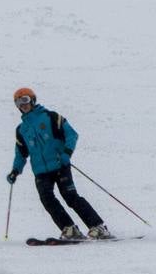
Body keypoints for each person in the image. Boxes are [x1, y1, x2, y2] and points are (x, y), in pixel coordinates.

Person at [8, 87, 108, 240]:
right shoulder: (21, 129)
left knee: (70, 196)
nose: (22, 105)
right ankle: (69, 229)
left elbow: (71, 134)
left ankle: (98, 227)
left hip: (60, 165)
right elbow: (20, 153)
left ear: (33, 100)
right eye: (18, 102)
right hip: (41, 171)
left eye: (25, 100)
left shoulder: (50, 117)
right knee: (47, 199)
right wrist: (15, 170)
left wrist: (67, 153)